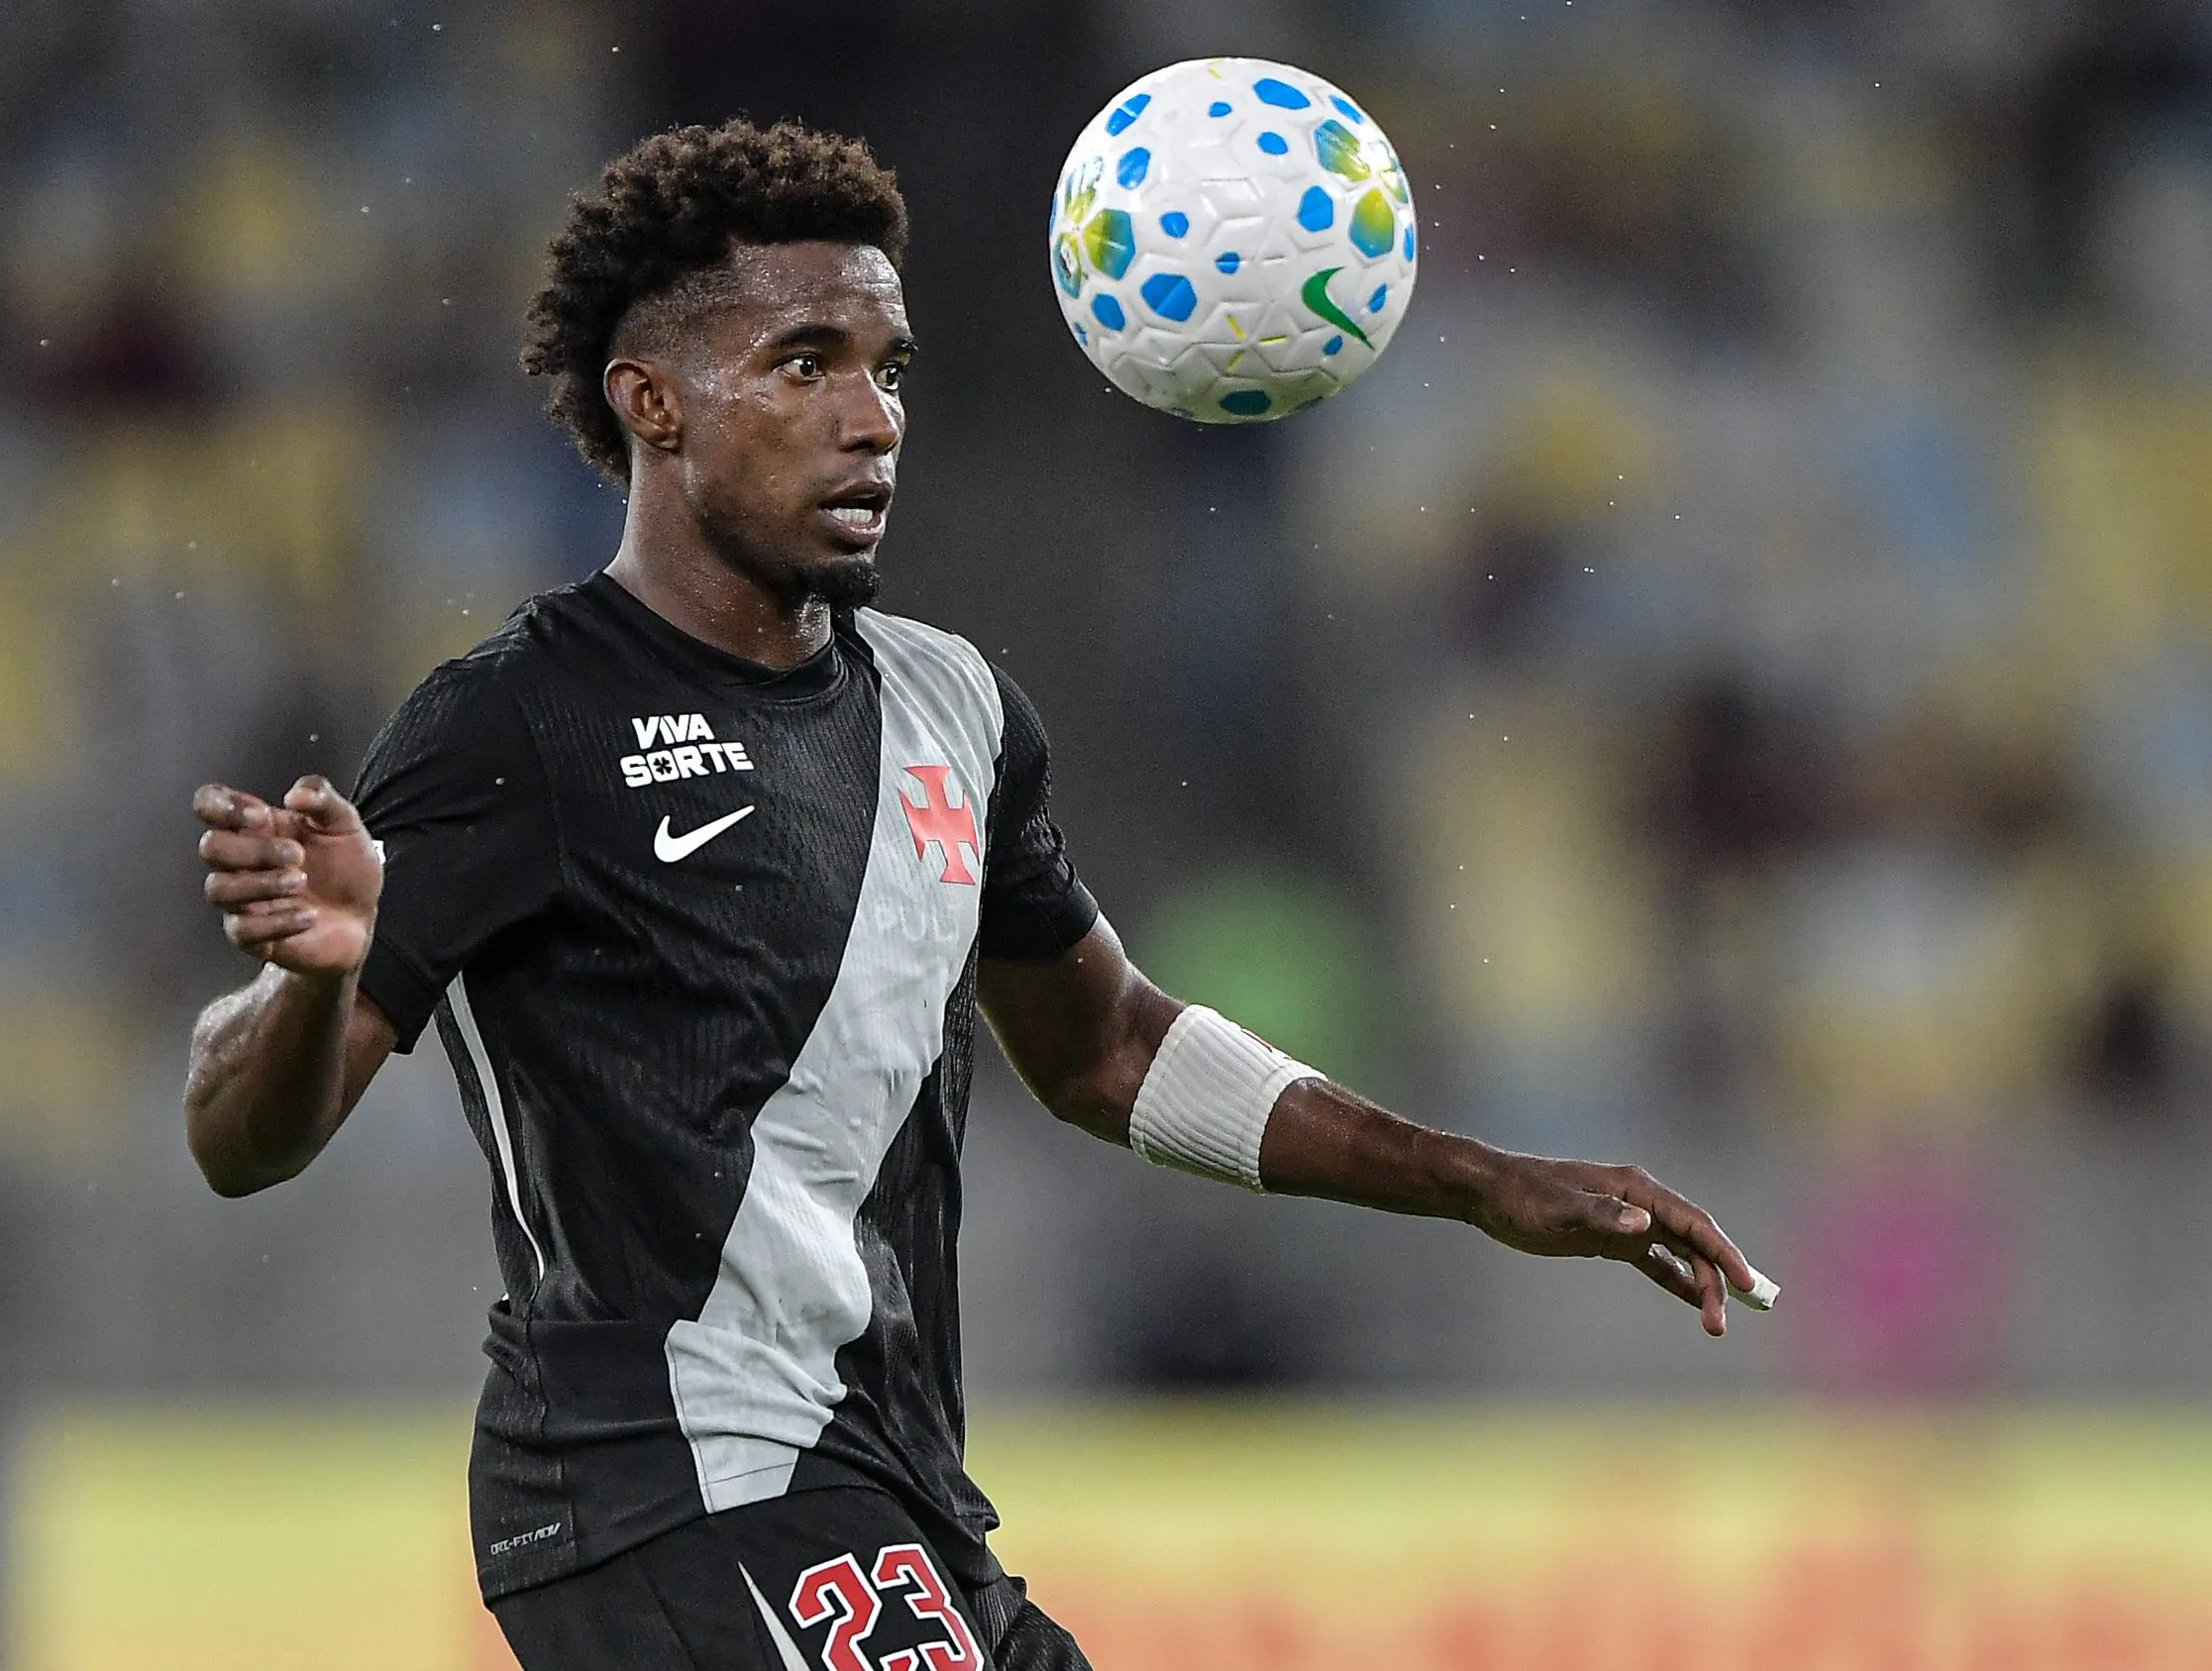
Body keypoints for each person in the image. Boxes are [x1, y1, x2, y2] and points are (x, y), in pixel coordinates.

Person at [182, 119, 1772, 1671]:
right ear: (651, 404)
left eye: (888, 369)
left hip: (893, 1492)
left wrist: (1475, 1177)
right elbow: (246, 1140)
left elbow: (1110, 1052)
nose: (870, 417)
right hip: (665, 1478)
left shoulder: (955, 707)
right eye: (806, 364)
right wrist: (314, 976)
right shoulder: (516, 723)